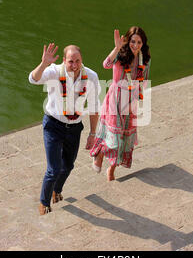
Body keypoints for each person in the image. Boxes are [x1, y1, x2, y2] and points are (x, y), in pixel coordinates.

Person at [28, 43, 100, 215]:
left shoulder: (90, 77)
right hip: (53, 126)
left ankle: (57, 190)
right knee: (53, 168)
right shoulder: (54, 71)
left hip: (75, 128)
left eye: (78, 61)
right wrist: (43, 63)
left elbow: (95, 106)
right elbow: (33, 79)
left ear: (82, 60)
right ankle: (44, 203)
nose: (74, 65)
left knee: (68, 165)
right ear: (64, 61)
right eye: (70, 62)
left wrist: (92, 133)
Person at [90, 27, 151, 181]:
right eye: (132, 41)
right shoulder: (121, 54)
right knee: (112, 134)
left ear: (143, 43)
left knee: (124, 137)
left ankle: (111, 169)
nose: (135, 45)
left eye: (139, 42)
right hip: (116, 99)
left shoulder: (144, 59)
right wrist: (117, 48)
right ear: (128, 41)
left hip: (131, 102)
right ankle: (100, 155)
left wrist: (137, 100)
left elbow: (143, 82)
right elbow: (106, 64)